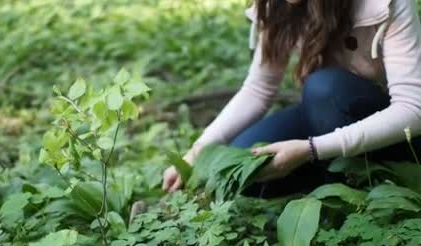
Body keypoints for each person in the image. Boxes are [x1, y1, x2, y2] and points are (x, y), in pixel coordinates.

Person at [163, 0, 421, 196]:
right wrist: (197, 151)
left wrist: (310, 150)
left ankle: (352, 193)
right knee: (243, 166)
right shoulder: (278, 5)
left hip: (396, 133)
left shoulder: (387, 4)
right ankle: (325, 180)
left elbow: (412, 109)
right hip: (322, 117)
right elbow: (259, 88)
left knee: (323, 87)